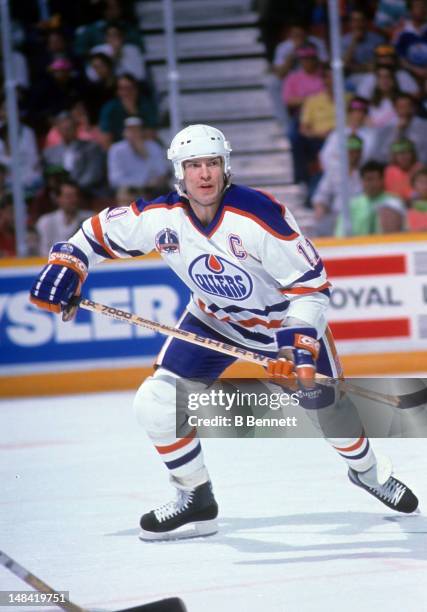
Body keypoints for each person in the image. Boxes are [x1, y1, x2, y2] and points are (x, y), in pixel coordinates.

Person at [29, 124, 419, 540]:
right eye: (193, 165)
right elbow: (96, 233)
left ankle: (368, 472)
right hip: (214, 321)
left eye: (212, 163)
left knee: (331, 413)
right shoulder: (163, 218)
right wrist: (67, 263)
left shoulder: (259, 216)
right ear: (180, 172)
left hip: (281, 328)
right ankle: (196, 498)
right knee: (156, 402)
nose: (204, 174)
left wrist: (297, 345)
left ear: (225, 167)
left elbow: (311, 287)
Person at [335, 160, 406, 236]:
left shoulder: (394, 202)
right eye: (367, 179)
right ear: (362, 181)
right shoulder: (351, 206)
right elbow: (340, 234)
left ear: (382, 180)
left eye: (374, 179)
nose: (371, 184)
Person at [311, 134, 363, 236]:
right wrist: (320, 210)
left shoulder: (365, 172)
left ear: (361, 152)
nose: (353, 154)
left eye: (356, 151)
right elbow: (322, 196)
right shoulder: (334, 171)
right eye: (350, 151)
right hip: (337, 215)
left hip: (360, 216)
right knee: (321, 226)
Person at [107, 116, 169, 195]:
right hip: (130, 189)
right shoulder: (116, 149)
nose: (134, 133)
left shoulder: (153, 146)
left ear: (142, 131)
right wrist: (142, 184)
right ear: (124, 132)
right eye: (130, 130)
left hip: (152, 189)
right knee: (125, 192)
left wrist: (145, 155)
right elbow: (115, 179)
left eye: (137, 130)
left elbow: (161, 171)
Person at [35, 179, 92, 256]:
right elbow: (43, 252)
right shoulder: (46, 222)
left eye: (75, 196)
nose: (73, 200)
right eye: (68, 197)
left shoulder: (90, 219)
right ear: (58, 199)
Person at [384, 138, 422, 202]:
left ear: (413, 154)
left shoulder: (420, 169)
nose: (404, 156)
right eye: (400, 153)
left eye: (407, 152)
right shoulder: (389, 171)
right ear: (394, 156)